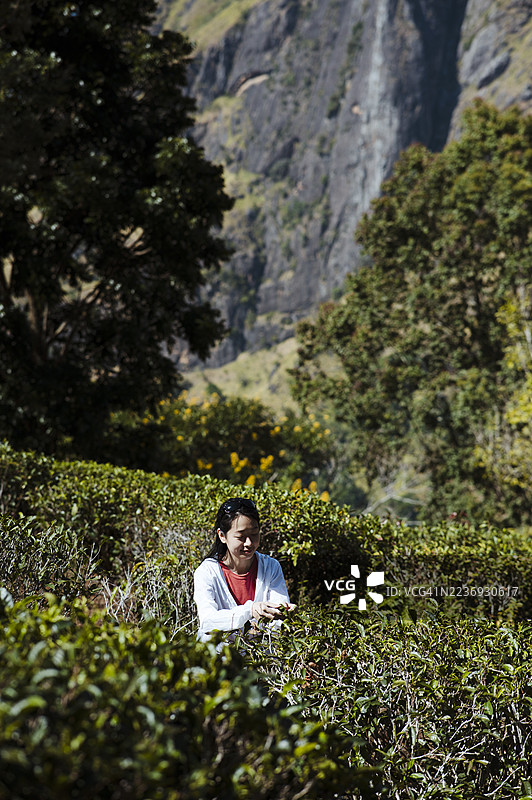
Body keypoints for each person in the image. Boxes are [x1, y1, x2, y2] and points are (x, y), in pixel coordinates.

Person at [194, 497, 295, 642]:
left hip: (261, 660)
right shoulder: (207, 572)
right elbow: (207, 621)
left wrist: (286, 613)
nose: (249, 543)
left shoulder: (271, 567)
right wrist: (250, 611)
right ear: (222, 536)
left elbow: (278, 619)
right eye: (240, 537)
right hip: (216, 659)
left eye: (254, 535)